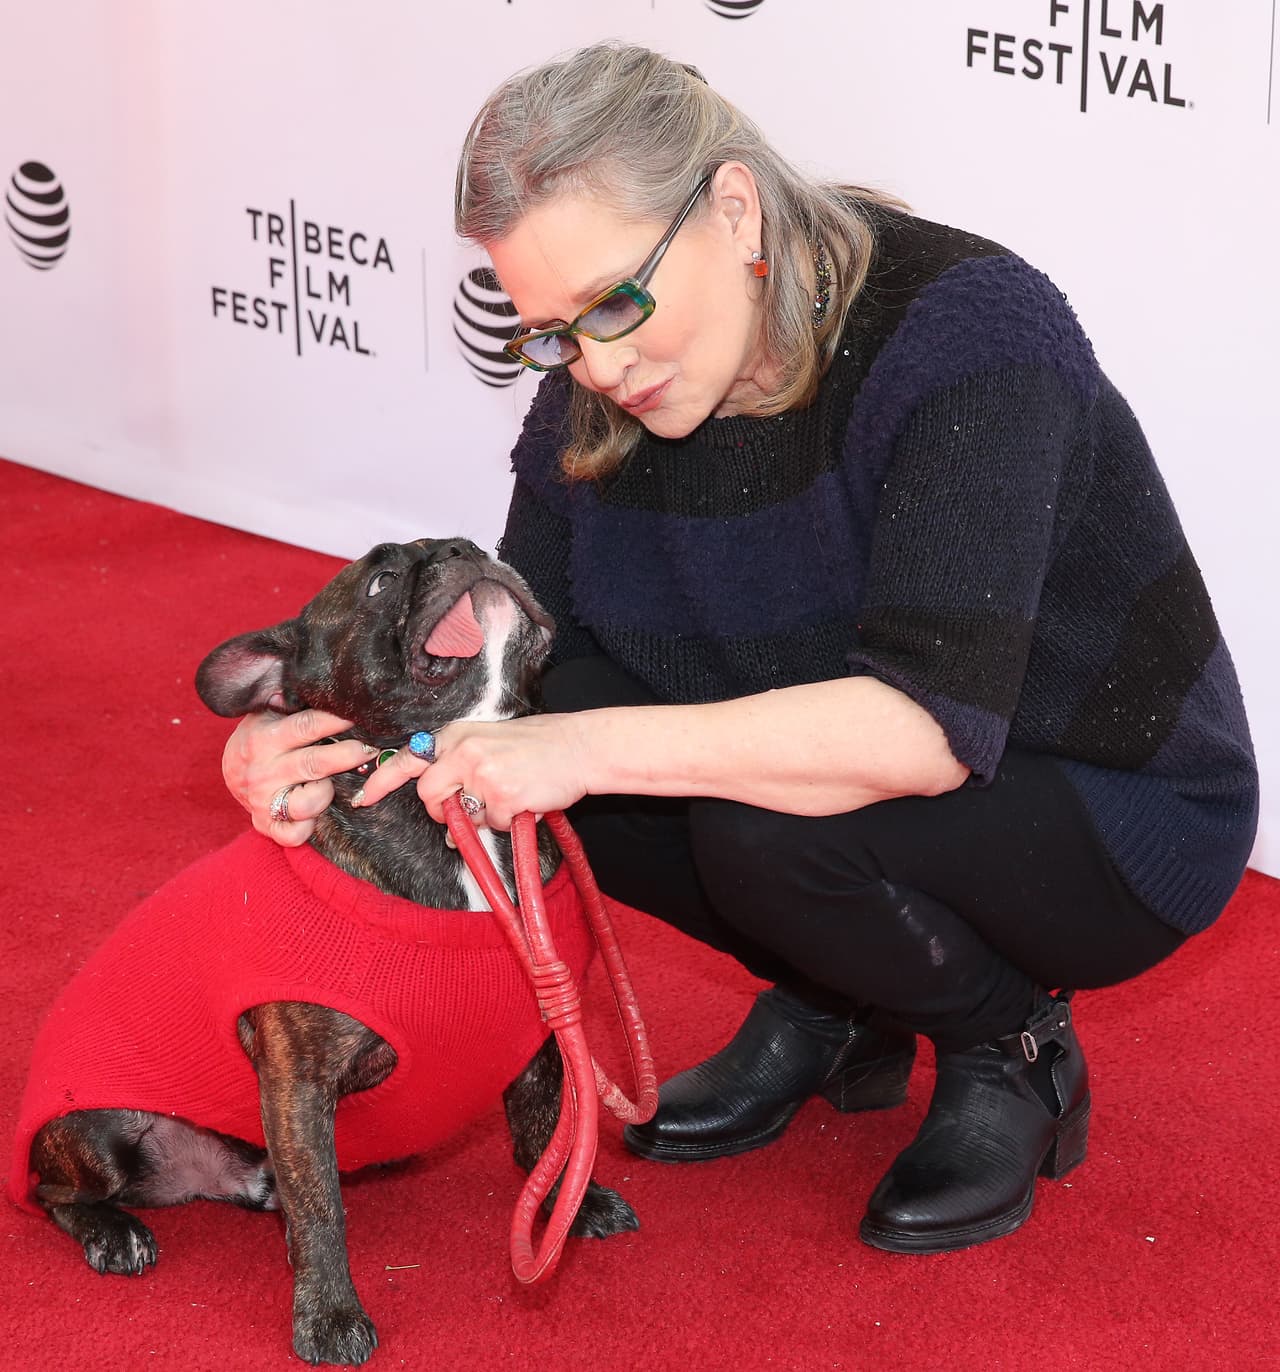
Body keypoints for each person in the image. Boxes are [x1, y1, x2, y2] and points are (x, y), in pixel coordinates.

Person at [220, 43, 1258, 1255]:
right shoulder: (603, 387)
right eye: (552, 333)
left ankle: (1007, 1040)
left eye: (616, 303)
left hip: (1100, 795)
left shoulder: (968, 331)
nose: (598, 365)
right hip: (843, 755)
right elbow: (505, 670)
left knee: (725, 813)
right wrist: (313, 738)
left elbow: (921, 730)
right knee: (541, 756)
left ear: (731, 207)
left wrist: (580, 745)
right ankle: (843, 998)